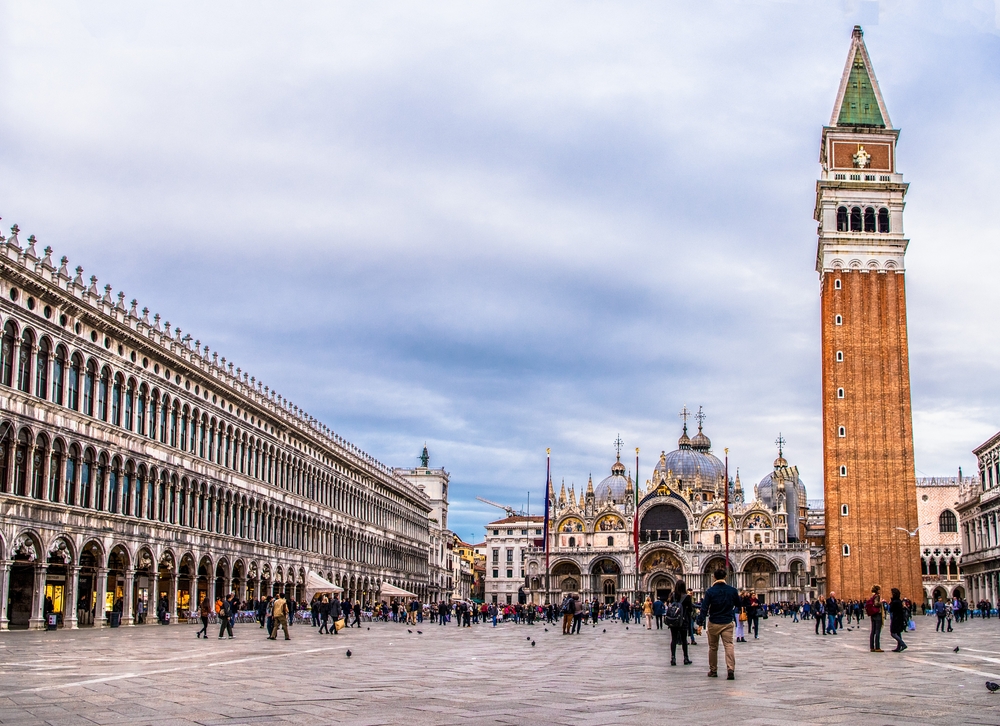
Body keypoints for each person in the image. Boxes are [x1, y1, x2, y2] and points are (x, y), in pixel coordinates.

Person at [697, 568, 741, 680]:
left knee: (713, 647)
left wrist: (700, 622)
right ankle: (730, 669)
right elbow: (739, 605)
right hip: (727, 622)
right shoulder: (732, 590)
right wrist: (730, 611)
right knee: (729, 645)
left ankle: (713, 670)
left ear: (714, 577)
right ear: (725, 577)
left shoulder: (710, 591)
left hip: (714, 622)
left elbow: (704, 608)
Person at [667, 580, 693, 667]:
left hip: (673, 620)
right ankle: (685, 658)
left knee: (673, 639)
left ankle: (673, 658)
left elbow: (669, 606)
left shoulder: (672, 595)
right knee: (684, 640)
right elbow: (690, 609)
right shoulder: (687, 597)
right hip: (683, 620)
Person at [888, 587, 907, 652]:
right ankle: (898, 647)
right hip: (900, 618)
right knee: (898, 633)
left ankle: (903, 644)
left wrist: (890, 603)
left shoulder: (895, 601)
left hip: (896, 619)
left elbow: (891, 610)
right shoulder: (899, 601)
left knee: (893, 633)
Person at [865, 585, 883, 652]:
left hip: (873, 615)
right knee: (877, 631)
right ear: (877, 590)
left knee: (873, 631)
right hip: (877, 614)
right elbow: (876, 604)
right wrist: (881, 602)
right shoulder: (877, 596)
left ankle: (872, 647)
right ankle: (877, 647)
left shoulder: (872, 596)